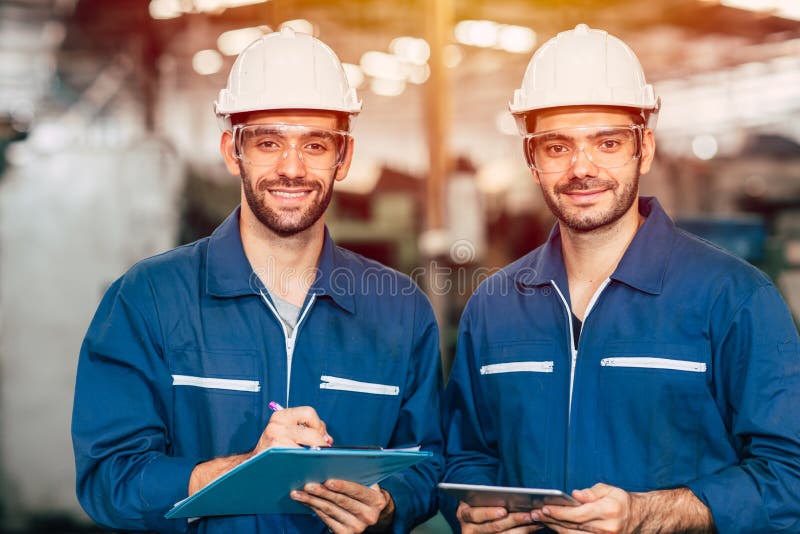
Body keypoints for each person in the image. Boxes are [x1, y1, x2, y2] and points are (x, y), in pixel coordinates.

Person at [72, 28, 443, 534]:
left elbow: (426, 461)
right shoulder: (148, 299)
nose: (291, 168)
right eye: (269, 142)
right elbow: (107, 480)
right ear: (233, 151)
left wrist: (389, 502)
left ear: (344, 157)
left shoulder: (400, 309)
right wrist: (241, 470)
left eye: (315, 144)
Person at [442, 23, 800, 534]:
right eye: (557, 146)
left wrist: (649, 513)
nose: (581, 168)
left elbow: (789, 478)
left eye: (607, 143)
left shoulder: (735, 299)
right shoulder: (493, 307)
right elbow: (468, 456)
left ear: (644, 149)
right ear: (532, 159)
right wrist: (474, 513)